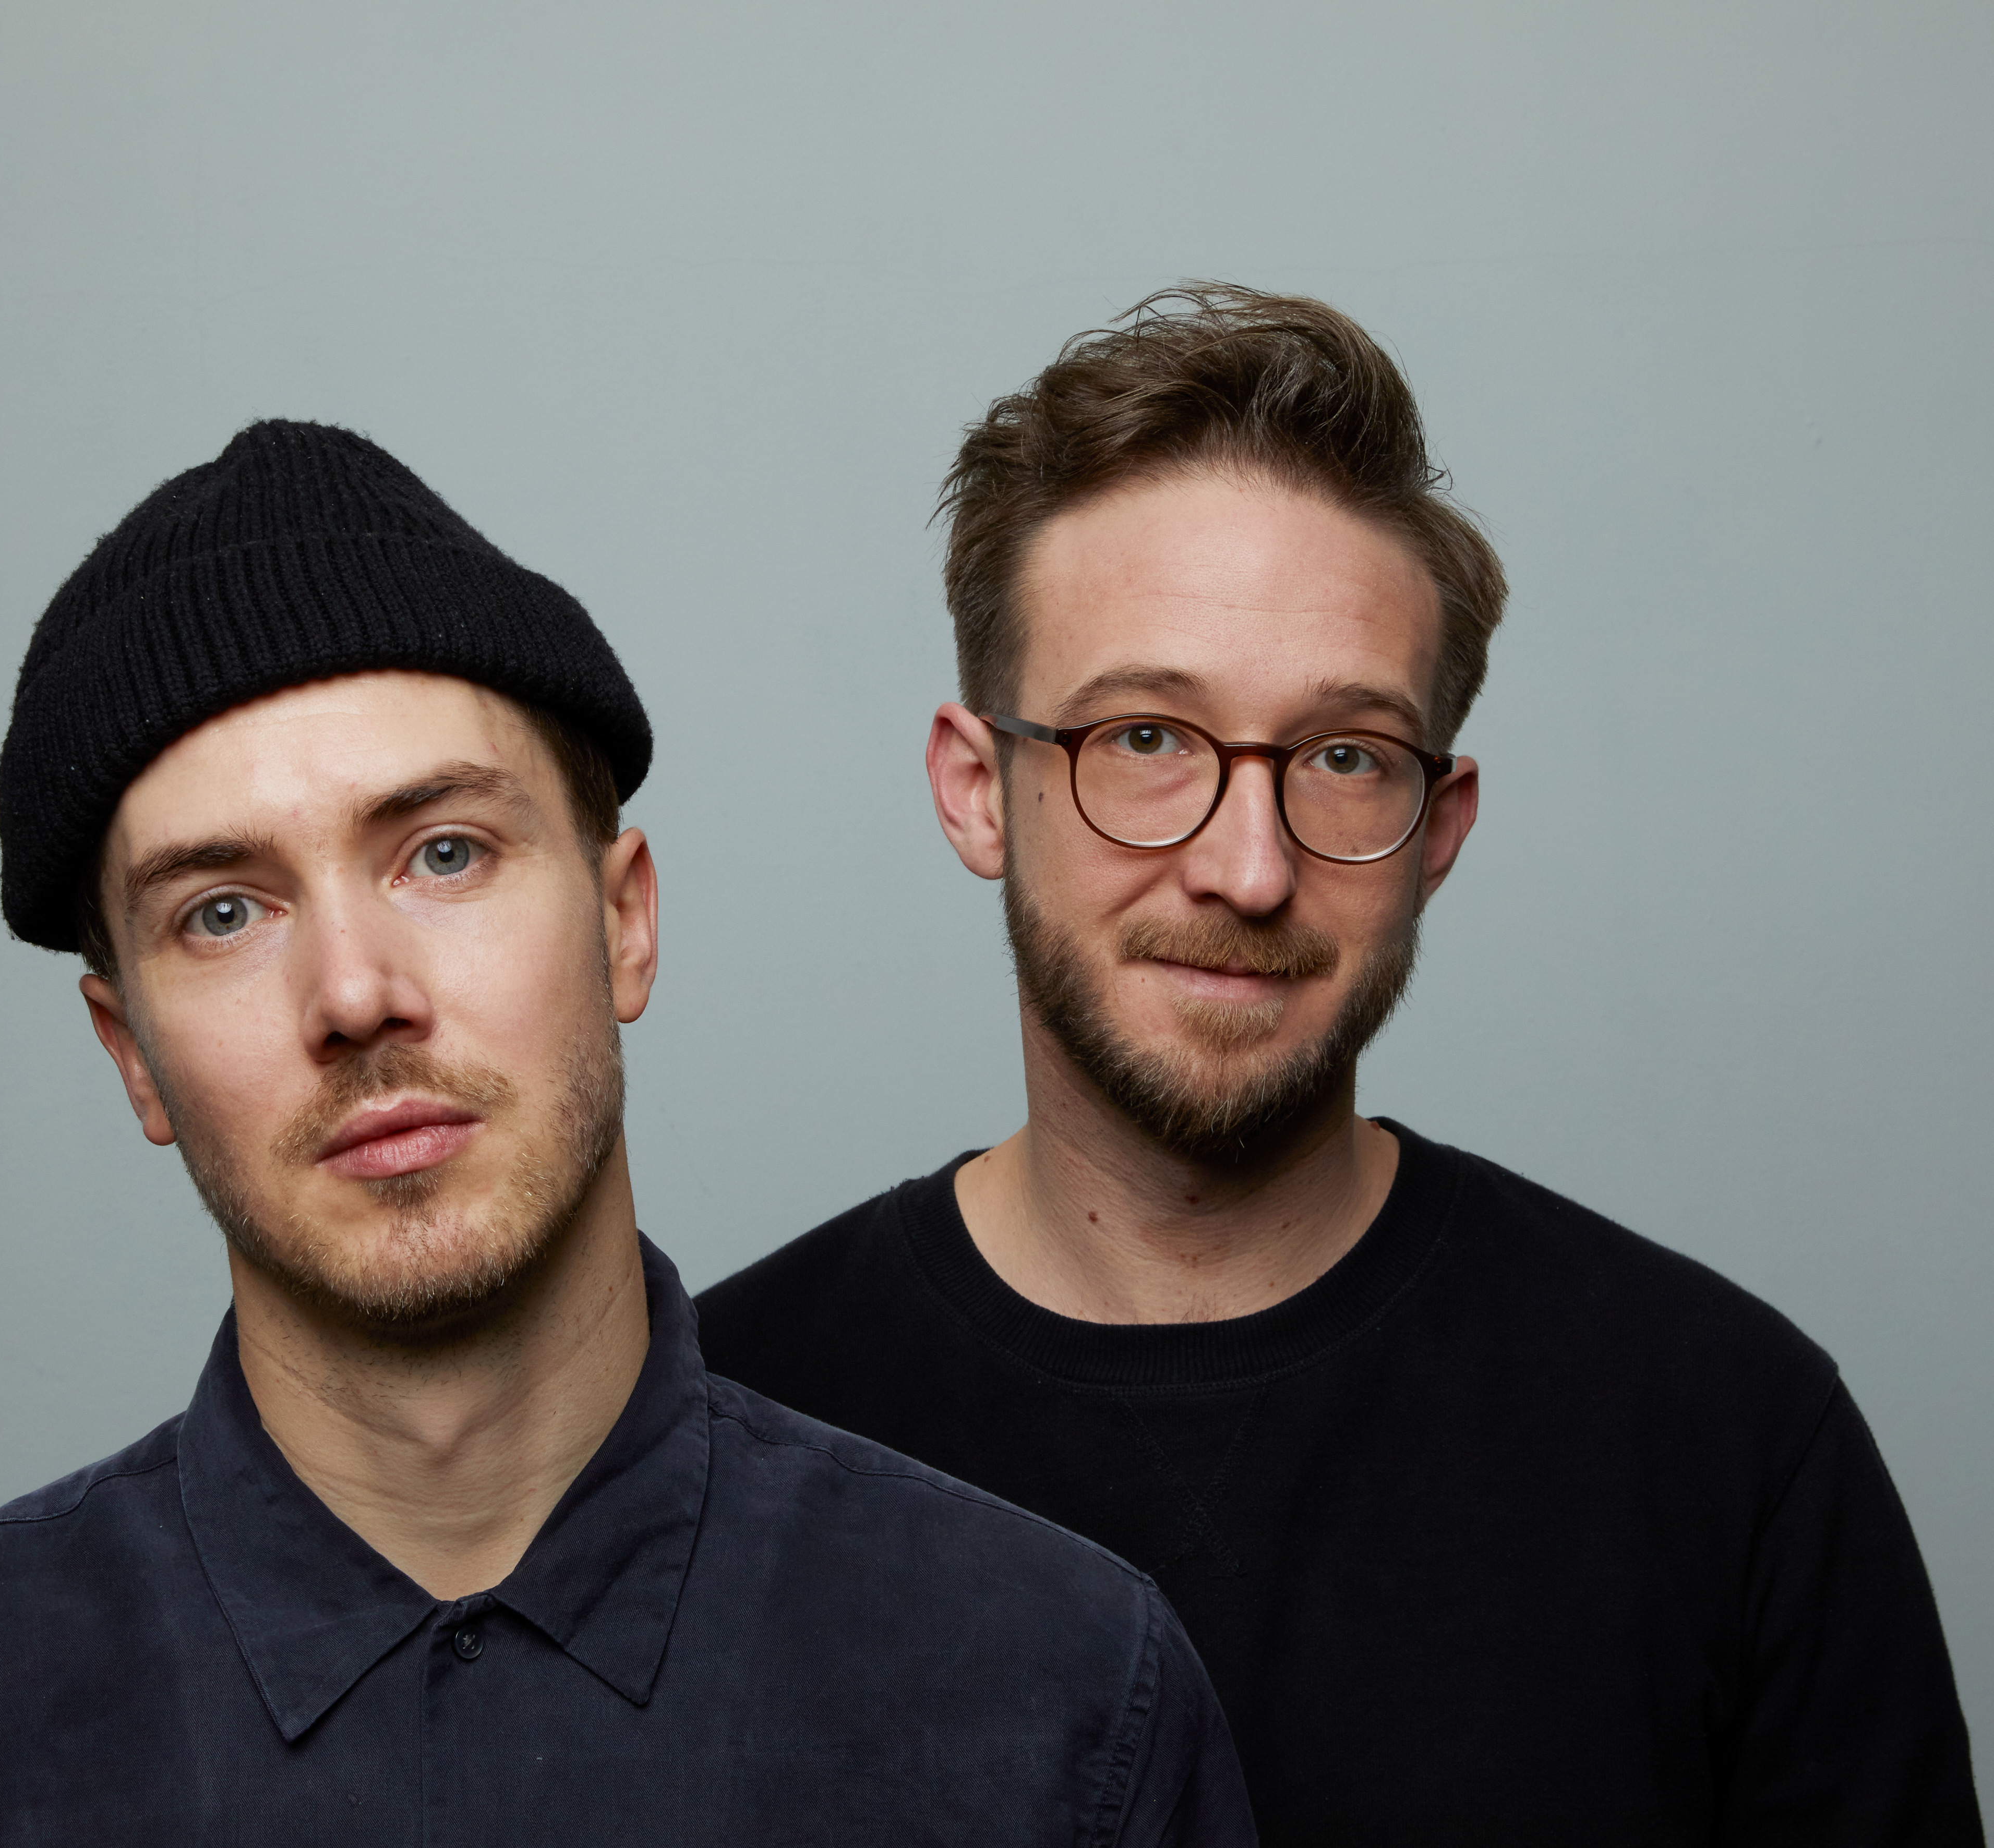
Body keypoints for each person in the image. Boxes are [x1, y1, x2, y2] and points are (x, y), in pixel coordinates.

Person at [0, 421, 1252, 1846]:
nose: (355, 994)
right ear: (134, 1057)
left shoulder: (1061, 1699)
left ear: (625, 922)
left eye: (443, 853)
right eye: (224, 912)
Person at [696, 286, 1983, 1844]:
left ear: (1440, 832)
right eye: (1146, 739)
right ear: (978, 790)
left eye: (1345, 758)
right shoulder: (704, 1432)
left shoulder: (1730, 1441)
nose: (1248, 869)